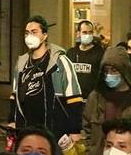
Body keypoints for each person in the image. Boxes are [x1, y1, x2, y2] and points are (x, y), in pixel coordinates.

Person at [9, 16, 85, 144]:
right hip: (26, 131)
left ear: (44, 35)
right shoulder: (21, 64)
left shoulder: (60, 62)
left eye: (34, 32)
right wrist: (12, 120)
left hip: (55, 133)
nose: (29, 37)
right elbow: (14, 95)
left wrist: (75, 130)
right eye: (27, 33)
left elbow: (75, 98)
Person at [81, 45, 131, 154]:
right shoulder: (95, 97)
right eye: (106, 71)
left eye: (114, 70)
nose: (109, 75)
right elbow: (87, 130)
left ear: (124, 70)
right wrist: (91, 154)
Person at [66, 18, 107, 86]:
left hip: (92, 95)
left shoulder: (100, 53)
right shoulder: (71, 53)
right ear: (78, 34)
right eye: (84, 32)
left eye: (90, 32)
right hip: (74, 95)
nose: (87, 35)